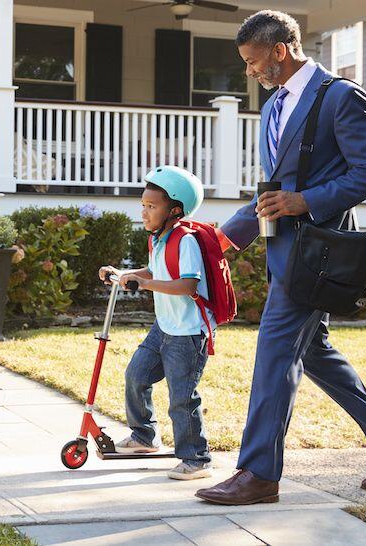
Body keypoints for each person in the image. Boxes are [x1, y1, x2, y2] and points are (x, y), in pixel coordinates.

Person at [195, 10, 366, 506]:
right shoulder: (274, 106)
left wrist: (307, 200)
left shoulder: (341, 96)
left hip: (319, 252)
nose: (250, 72)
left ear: (280, 50)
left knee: (275, 352)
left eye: (254, 62)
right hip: (284, 251)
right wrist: (229, 237)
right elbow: (276, 187)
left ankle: (258, 473)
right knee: (312, 351)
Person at [99, 166, 215, 481]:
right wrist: (124, 275)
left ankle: (197, 459)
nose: (144, 212)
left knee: (182, 397)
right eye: (143, 205)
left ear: (174, 210)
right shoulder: (159, 238)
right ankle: (144, 437)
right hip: (164, 327)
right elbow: (152, 271)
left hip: (188, 334)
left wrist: (144, 285)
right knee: (136, 376)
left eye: (152, 207)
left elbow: (187, 285)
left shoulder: (185, 240)